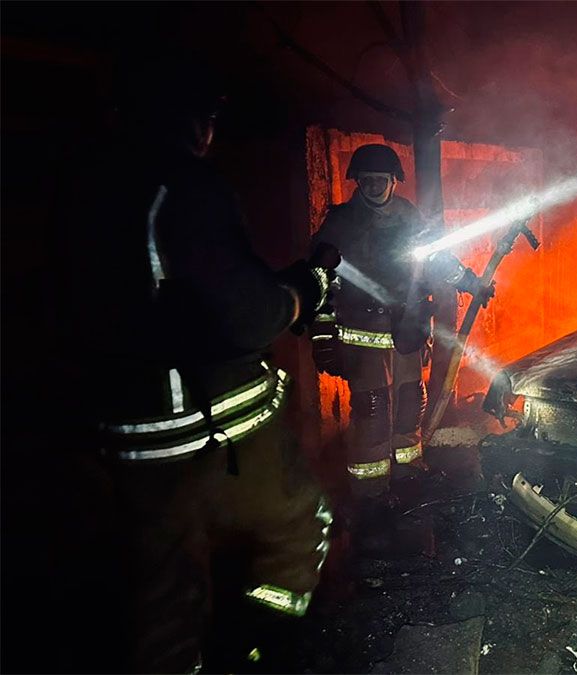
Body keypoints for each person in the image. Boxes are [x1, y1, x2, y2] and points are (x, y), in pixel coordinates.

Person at [60, 56, 337, 673]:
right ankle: (258, 649)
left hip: (128, 440)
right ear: (197, 121)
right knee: (300, 525)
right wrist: (301, 291)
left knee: (164, 594)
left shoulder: (85, 186)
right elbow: (246, 314)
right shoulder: (185, 186)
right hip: (212, 426)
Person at [311, 143, 490, 502]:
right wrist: (322, 337)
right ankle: (371, 489)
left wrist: (469, 281)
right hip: (362, 334)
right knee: (373, 408)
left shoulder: (410, 217)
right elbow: (319, 280)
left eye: (380, 180)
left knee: (410, 402)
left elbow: (438, 257)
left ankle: (408, 474)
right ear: (357, 182)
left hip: (407, 329)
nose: (374, 186)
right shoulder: (341, 223)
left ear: (394, 181)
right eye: (366, 180)